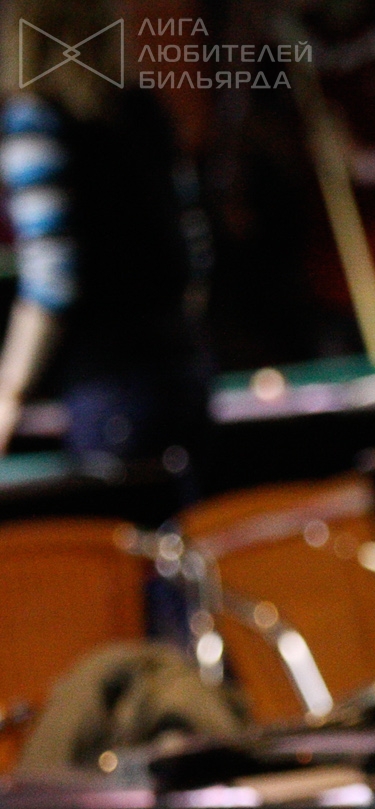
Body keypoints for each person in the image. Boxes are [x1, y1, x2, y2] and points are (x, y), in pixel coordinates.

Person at [0, 0, 207, 475]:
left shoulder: (36, 119)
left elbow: (53, 277)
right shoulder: (143, 109)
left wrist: (9, 391)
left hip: (108, 389)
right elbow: (194, 249)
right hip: (184, 370)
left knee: (110, 526)